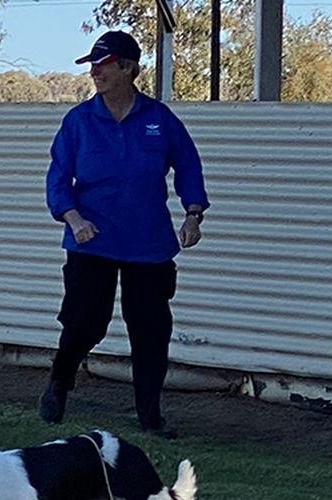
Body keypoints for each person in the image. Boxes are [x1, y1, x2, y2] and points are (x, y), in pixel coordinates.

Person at [40, 31, 210, 439]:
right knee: (84, 324)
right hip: (91, 240)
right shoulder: (79, 121)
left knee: (150, 330)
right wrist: (73, 218)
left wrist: (193, 214)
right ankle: (60, 381)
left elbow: (188, 165)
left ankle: (150, 416)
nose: (95, 72)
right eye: (92, 66)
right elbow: (58, 177)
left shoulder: (159, 119)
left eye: (104, 65)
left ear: (129, 68)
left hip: (148, 243)